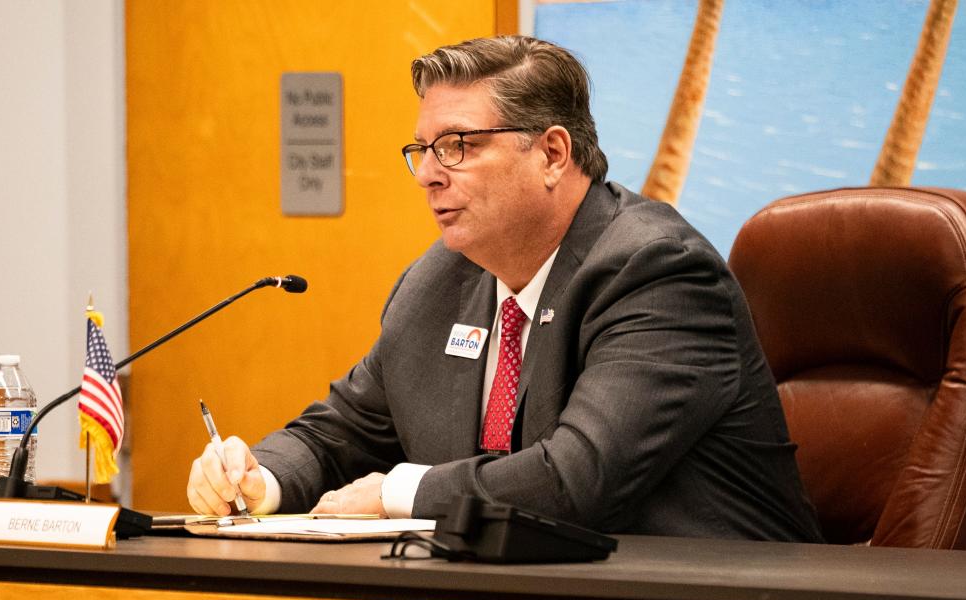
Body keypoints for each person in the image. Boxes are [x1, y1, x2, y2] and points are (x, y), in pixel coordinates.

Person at [186, 35, 823, 542]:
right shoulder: (438, 281)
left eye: (458, 145)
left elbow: (576, 480)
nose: (428, 175)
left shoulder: (657, 272)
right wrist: (255, 478)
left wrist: (394, 493)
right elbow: (336, 435)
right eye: (422, 149)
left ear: (551, 154)